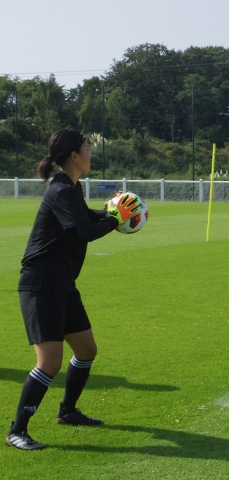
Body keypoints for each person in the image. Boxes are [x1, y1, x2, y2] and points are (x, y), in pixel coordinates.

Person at [6, 128, 141, 450]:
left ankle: (67, 411)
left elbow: (87, 217)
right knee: (49, 362)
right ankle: (17, 431)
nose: (91, 154)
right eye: (86, 148)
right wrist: (115, 220)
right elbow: (84, 231)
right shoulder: (61, 190)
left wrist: (115, 213)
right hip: (41, 284)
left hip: (62, 284)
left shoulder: (71, 187)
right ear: (74, 156)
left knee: (86, 350)